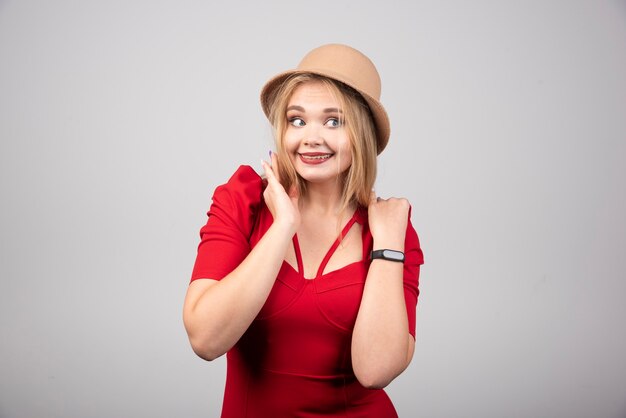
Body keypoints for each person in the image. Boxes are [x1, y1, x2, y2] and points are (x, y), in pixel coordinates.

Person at [183, 43, 424, 417]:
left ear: (362, 135)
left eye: (334, 121)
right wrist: (283, 226)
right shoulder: (243, 200)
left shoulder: (390, 231)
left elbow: (376, 370)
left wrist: (388, 246)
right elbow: (206, 338)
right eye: (297, 120)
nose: (311, 137)